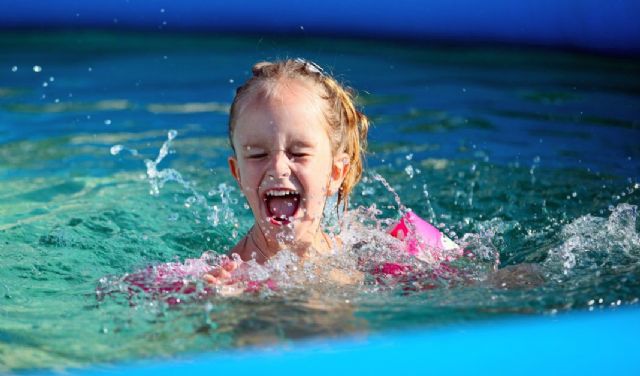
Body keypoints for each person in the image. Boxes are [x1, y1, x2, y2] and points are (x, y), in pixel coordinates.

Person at [204, 58, 369, 285]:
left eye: (299, 153)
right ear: (238, 173)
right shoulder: (226, 278)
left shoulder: (363, 258)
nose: (278, 168)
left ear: (335, 173)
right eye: (257, 155)